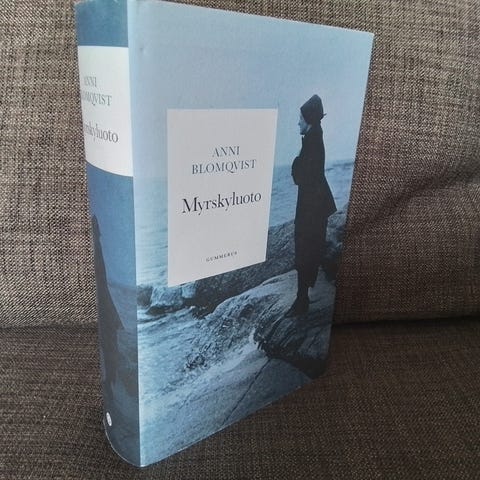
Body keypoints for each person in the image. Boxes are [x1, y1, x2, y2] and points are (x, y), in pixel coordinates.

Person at [288, 94, 337, 316]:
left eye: (300, 118)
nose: (298, 122)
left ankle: (302, 301)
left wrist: (296, 161)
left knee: (306, 249)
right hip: (315, 203)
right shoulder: (313, 138)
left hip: (312, 206)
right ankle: (302, 298)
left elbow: (299, 176)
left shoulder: (312, 141)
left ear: (308, 119)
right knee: (310, 248)